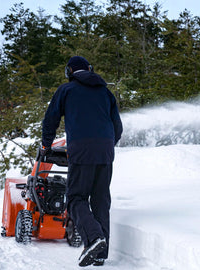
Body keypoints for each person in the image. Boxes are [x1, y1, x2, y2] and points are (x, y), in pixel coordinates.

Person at [41, 56, 123, 267]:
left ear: (69, 72)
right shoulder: (105, 92)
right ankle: (100, 255)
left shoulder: (66, 90)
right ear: (89, 69)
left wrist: (46, 145)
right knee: (100, 200)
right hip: (105, 152)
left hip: (81, 151)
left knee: (75, 198)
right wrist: (105, 145)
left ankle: (94, 238)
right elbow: (118, 128)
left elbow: (51, 119)